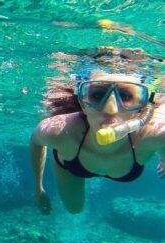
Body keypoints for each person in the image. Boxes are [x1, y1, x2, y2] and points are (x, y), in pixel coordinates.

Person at [30, 49, 165, 215]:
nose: (111, 109)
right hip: (71, 160)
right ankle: (61, 153)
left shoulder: (154, 134)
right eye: (97, 94)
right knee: (74, 209)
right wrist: (38, 188)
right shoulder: (58, 132)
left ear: (141, 107)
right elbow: (36, 141)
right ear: (83, 103)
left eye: (126, 96)